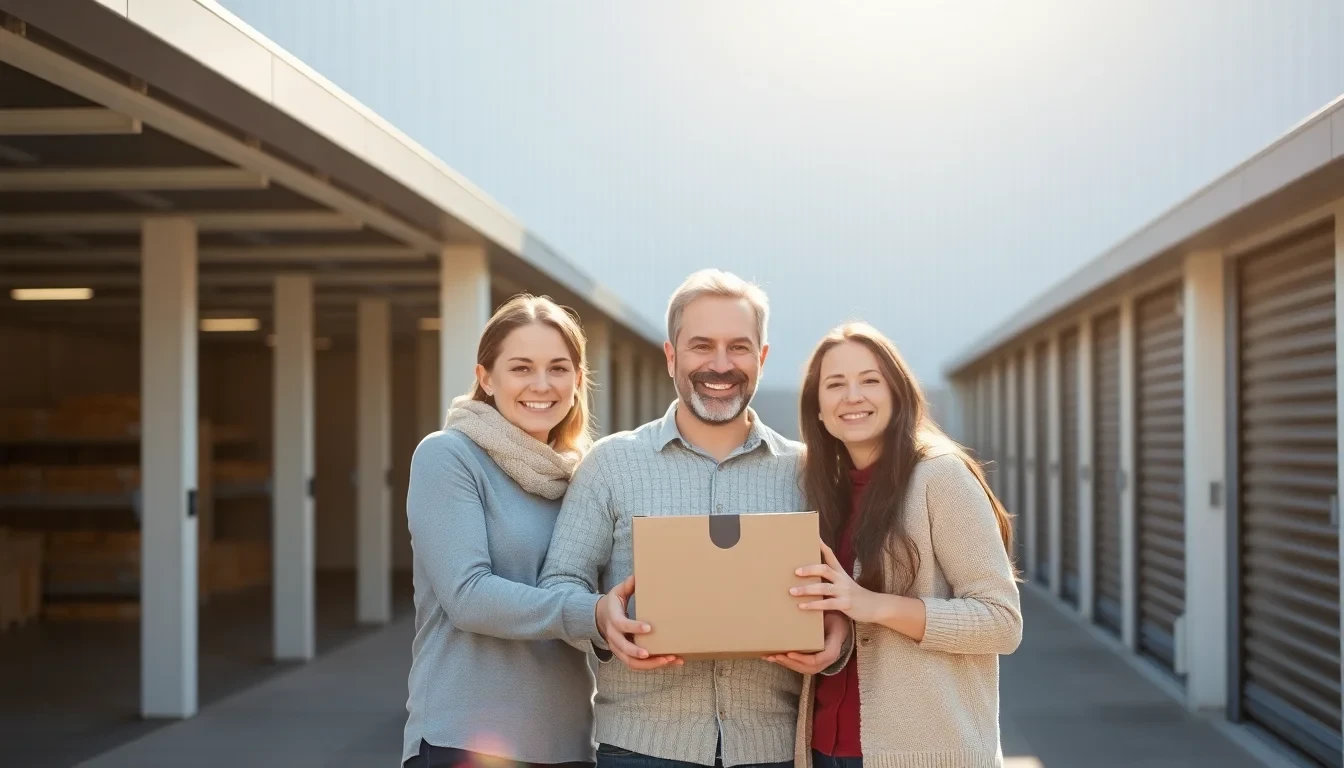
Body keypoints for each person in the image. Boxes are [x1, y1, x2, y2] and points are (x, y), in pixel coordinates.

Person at [537, 269, 853, 768]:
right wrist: (600, 617)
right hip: (641, 749)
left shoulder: (809, 472)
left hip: (774, 750)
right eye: (702, 346)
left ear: (762, 358)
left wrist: (838, 636)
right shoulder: (612, 463)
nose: (721, 365)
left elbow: (844, 591)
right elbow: (558, 583)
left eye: (739, 347)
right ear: (671, 356)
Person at [402, 294, 632, 768]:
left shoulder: (582, 476)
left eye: (559, 368)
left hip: (569, 743)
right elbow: (467, 595)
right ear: (486, 378)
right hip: (464, 741)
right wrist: (593, 613)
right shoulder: (449, 457)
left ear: (577, 379)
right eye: (521, 368)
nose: (542, 385)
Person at [789, 322, 1023, 768]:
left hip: (923, 754)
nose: (852, 396)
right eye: (835, 384)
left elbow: (1001, 621)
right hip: (822, 750)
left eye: (870, 381)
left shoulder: (941, 476)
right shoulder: (823, 491)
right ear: (817, 409)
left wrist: (873, 605)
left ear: (898, 394)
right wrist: (832, 632)